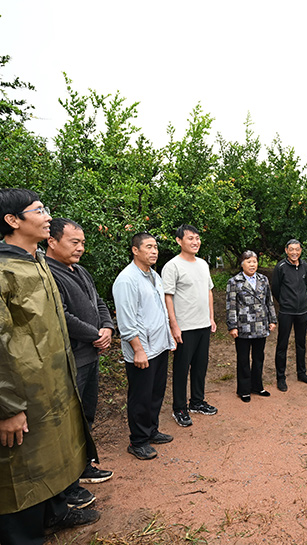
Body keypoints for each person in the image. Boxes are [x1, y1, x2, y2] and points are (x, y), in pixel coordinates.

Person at [0, 188, 99, 544]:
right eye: (38, 210)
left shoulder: (38, 262)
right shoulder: (4, 270)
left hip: (54, 383)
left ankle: (55, 513)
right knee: (22, 468)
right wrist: (7, 407)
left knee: (55, 453)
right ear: (13, 221)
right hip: (22, 392)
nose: (47, 216)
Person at [46, 218, 115, 509]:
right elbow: (60, 315)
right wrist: (94, 335)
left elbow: (98, 302)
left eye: (83, 243)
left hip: (91, 356)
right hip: (72, 359)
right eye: (74, 242)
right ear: (52, 241)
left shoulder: (80, 271)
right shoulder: (48, 273)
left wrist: (108, 327)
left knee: (86, 416)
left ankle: (84, 466)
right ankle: (67, 487)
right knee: (68, 424)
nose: (81, 248)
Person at [113, 232, 175, 460]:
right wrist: (137, 349)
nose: (154, 251)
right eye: (148, 247)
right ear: (135, 250)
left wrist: (168, 337)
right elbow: (126, 321)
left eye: (156, 247)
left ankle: (151, 430)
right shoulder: (127, 280)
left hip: (158, 346)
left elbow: (159, 311)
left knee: (156, 393)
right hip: (142, 349)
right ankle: (138, 441)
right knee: (140, 396)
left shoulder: (153, 276)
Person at [162, 224, 217, 427]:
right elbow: (168, 296)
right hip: (184, 327)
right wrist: (173, 325)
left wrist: (211, 317)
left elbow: (209, 291)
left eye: (197, 238)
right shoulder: (172, 266)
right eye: (190, 238)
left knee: (200, 366)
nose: (195, 242)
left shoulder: (203, 264)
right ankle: (180, 408)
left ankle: (197, 401)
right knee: (181, 368)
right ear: (179, 241)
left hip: (203, 324)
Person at [226, 250, 277, 402]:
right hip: (243, 327)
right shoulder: (234, 281)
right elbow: (231, 305)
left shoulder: (263, 279)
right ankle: (244, 390)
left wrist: (272, 320)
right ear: (242, 264)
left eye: (254, 261)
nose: (252, 264)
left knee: (258, 357)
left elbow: (269, 301)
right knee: (243, 359)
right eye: (249, 261)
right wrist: (232, 326)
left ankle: (257, 386)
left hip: (261, 325)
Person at [272, 239, 307, 391]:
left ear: (300, 250)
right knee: (282, 345)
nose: (294, 252)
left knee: (301, 343)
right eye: (291, 249)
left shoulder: (304, 266)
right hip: (286, 312)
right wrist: (285, 301)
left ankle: (301, 373)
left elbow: (306, 284)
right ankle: (280, 377)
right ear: (286, 250)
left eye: (297, 249)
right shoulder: (281, 267)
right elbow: (275, 288)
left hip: (302, 311)